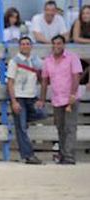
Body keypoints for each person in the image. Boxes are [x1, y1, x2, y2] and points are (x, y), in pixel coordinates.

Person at [38, 34, 82, 165]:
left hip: (70, 98)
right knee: (60, 128)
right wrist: (42, 98)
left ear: (63, 45)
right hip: (57, 98)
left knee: (70, 127)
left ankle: (69, 156)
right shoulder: (48, 60)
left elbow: (76, 77)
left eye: (59, 43)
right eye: (54, 44)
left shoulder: (72, 57)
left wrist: (73, 95)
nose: (57, 46)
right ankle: (63, 155)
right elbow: (45, 81)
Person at [7, 36, 45, 165]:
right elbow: (10, 82)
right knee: (22, 128)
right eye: (23, 44)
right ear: (19, 46)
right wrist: (13, 101)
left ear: (31, 46)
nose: (25, 46)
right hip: (19, 96)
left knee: (42, 113)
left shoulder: (36, 60)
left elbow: (42, 76)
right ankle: (29, 155)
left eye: (27, 43)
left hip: (31, 96)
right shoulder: (14, 61)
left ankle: (21, 119)